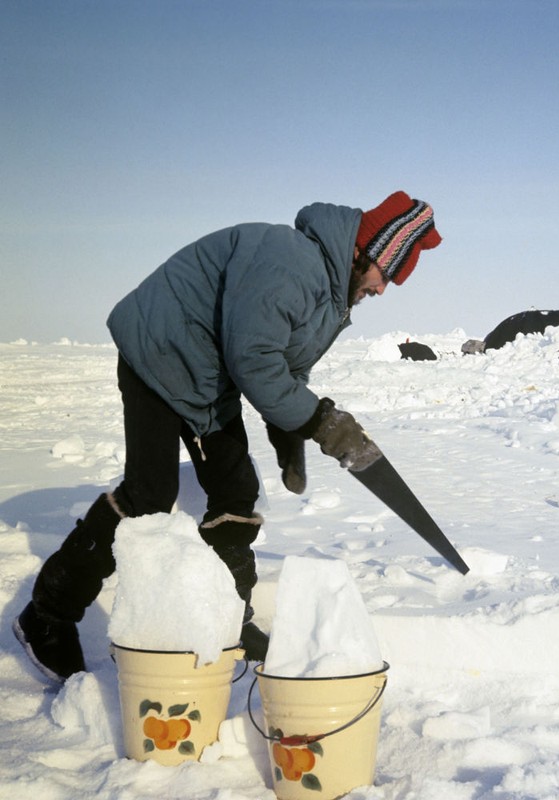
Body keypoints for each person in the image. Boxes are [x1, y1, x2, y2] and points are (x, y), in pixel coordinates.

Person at [13, 191, 442, 683]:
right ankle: (47, 614)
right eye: (386, 275)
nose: (383, 290)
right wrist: (323, 424)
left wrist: (289, 432)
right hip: (160, 350)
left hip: (207, 373)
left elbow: (285, 367)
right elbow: (255, 360)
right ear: (366, 253)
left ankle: (227, 619)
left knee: (235, 492)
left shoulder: (330, 296)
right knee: (149, 495)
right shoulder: (291, 261)